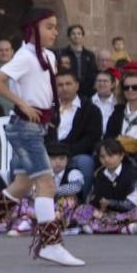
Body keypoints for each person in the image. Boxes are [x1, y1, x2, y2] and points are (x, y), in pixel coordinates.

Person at [45, 68, 100, 199]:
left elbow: (91, 138)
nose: (64, 88)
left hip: (75, 153)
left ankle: (80, 204)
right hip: (47, 153)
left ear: (77, 85)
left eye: (68, 84)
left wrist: (65, 153)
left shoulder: (90, 109)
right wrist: (51, 152)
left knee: (85, 162)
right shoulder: (47, 108)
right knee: (18, 161)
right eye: (60, 85)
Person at [75, 138, 137, 233]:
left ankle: (100, 228)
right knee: (81, 210)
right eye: (102, 157)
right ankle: (121, 229)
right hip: (105, 215)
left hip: (126, 214)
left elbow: (133, 205)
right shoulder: (99, 175)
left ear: (121, 155)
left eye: (111, 155)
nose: (106, 159)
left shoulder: (133, 175)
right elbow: (93, 200)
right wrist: (99, 207)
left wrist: (110, 203)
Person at [104, 69, 137, 155]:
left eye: (135, 87)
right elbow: (108, 139)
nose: (130, 90)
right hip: (118, 157)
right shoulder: (117, 113)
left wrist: (133, 143)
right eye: (126, 87)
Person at [58, 23, 97, 90]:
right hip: (68, 88)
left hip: (86, 90)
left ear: (82, 36)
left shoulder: (90, 55)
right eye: (73, 34)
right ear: (69, 36)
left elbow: (93, 73)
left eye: (79, 34)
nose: (76, 36)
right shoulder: (62, 53)